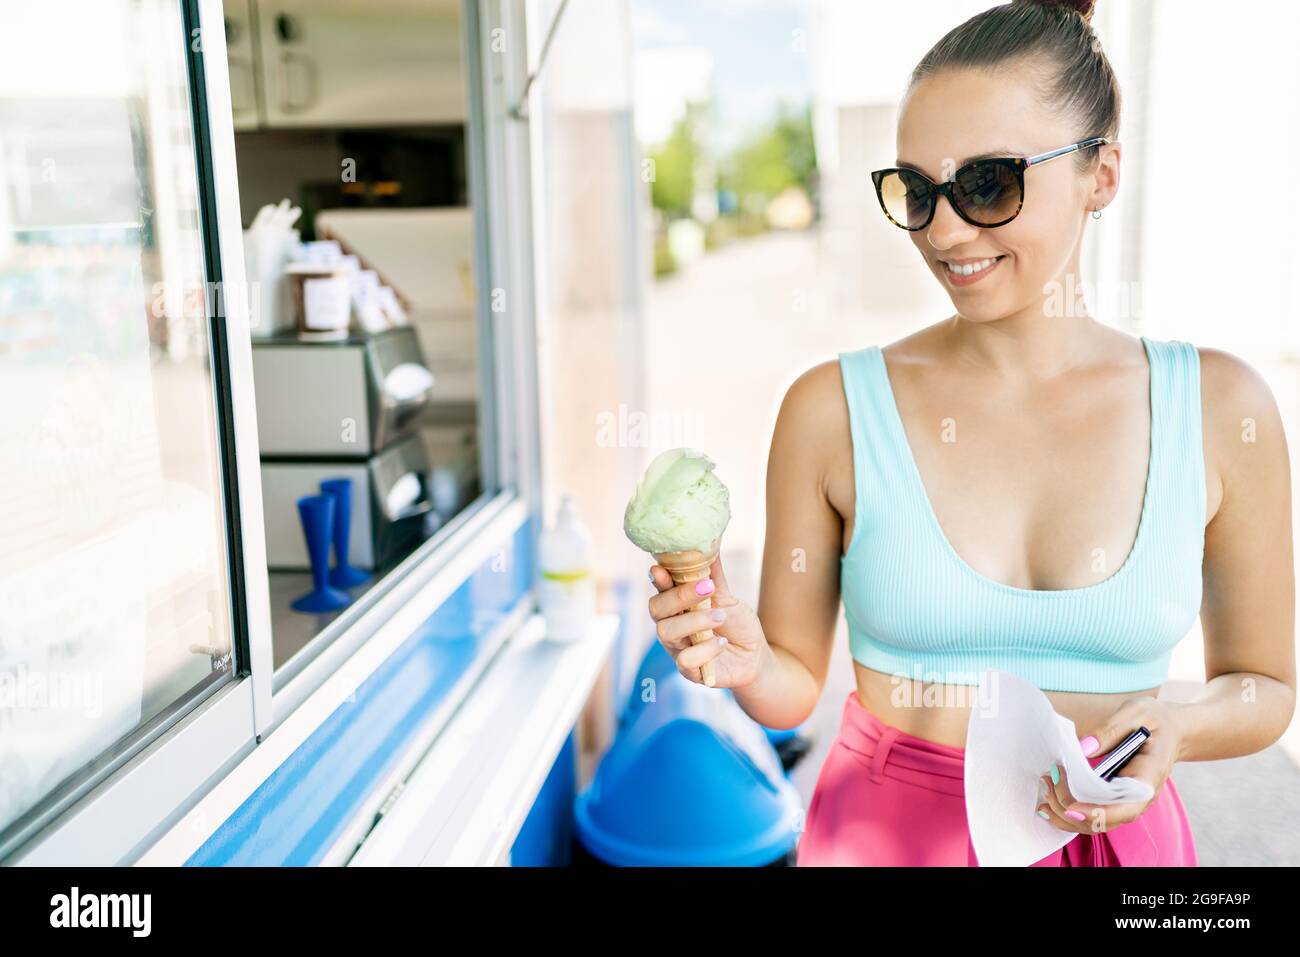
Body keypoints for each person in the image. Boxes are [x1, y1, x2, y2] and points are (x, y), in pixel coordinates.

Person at [645, 0, 1295, 866]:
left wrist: (1181, 724)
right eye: (916, 190)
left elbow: (1265, 686)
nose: (944, 231)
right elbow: (794, 686)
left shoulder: (1221, 406)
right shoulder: (830, 409)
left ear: (1102, 174)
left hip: (1121, 845)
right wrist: (749, 659)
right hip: (886, 841)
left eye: (989, 183)